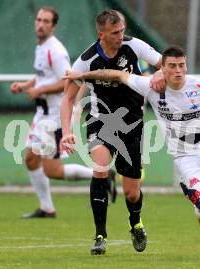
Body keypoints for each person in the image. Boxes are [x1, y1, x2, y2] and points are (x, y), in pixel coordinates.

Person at [63, 45, 200, 260]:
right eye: (172, 66)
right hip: (185, 158)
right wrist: (82, 75)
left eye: (182, 65)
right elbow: (115, 74)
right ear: (163, 67)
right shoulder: (151, 87)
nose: (178, 70)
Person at [60, 10, 163, 255]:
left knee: (131, 191)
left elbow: (163, 63)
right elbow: (68, 97)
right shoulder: (86, 60)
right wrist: (66, 131)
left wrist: (159, 73)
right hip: (100, 120)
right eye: (115, 33)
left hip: (131, 123)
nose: (120, 36)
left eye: (122, 30)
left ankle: (135, 223)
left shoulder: (134, 47)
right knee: (101, 168)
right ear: (101, 34)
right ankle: (100, 235)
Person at [10, 6, 99, 218]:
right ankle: (47, 208)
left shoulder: (55, 50)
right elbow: (43, 76)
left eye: (46, 21)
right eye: (39, 20)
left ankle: (101, 175)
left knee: (52, 170)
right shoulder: (41, 47)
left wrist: (39, 89)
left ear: (54, 26)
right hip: (42, 115)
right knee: (31, 160)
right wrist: (25, 85)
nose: (41, 24)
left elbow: (66, 81)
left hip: (53, 117)